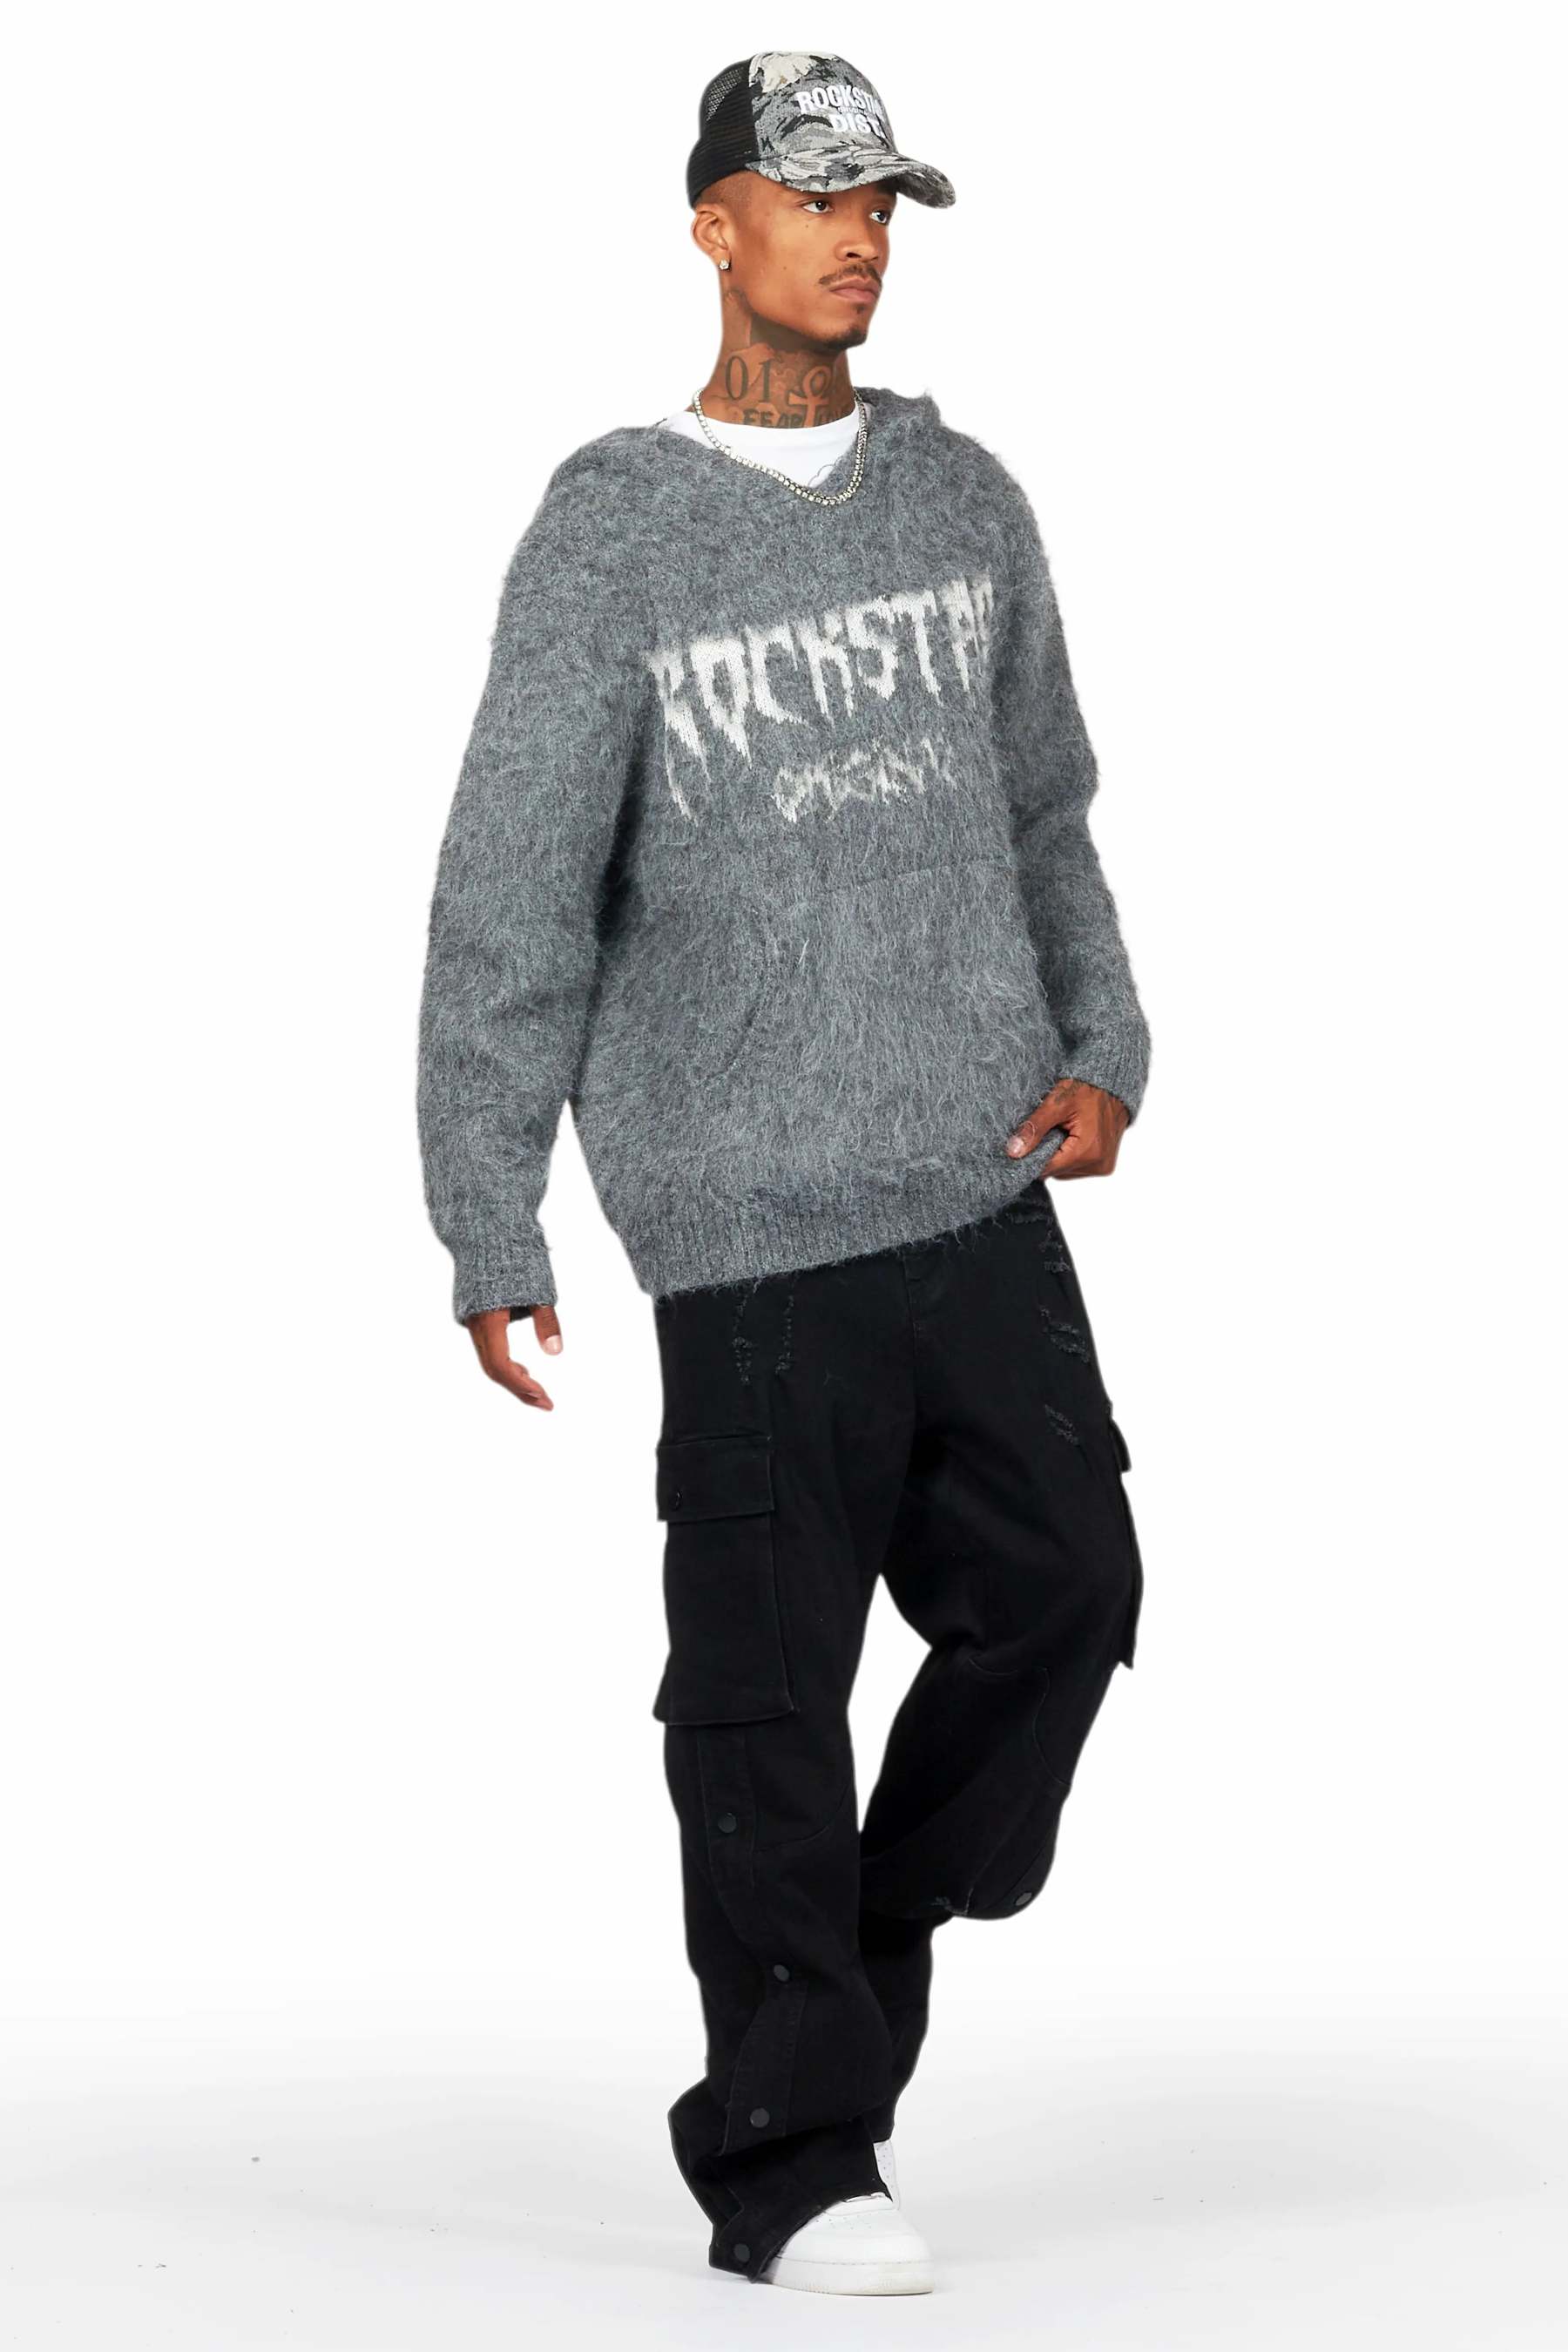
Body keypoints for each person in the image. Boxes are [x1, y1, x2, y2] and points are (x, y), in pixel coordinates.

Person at [417, 50, 1151, 2297]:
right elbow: (513, 889)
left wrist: (1106, 1045)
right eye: (814, 197)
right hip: (743, 1224)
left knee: (1069, 1598)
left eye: (882, 203)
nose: (858, 236)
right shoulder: (612, 529)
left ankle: (839, 1946)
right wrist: (487, 1202)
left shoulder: (966, 501)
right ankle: (791, 2161)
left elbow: (1045, 809)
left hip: (979, 1181)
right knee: (762, 1696)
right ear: (713, 223)